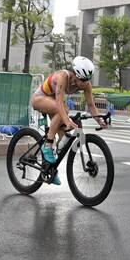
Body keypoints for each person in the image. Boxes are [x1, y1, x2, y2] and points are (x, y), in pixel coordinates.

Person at [32, 56, 108, 185]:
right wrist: (67, 120)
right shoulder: (63, 77)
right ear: (75, 74)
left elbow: (91, 105)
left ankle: (50, 169)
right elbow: (60, 104)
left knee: (64, 139)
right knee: (63, 111)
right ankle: (47, 145)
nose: (85, 83)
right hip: (40, 98)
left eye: (88, 80)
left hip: (54, 102)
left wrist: (99, 120)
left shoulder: (86, 85)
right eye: (83, 79)